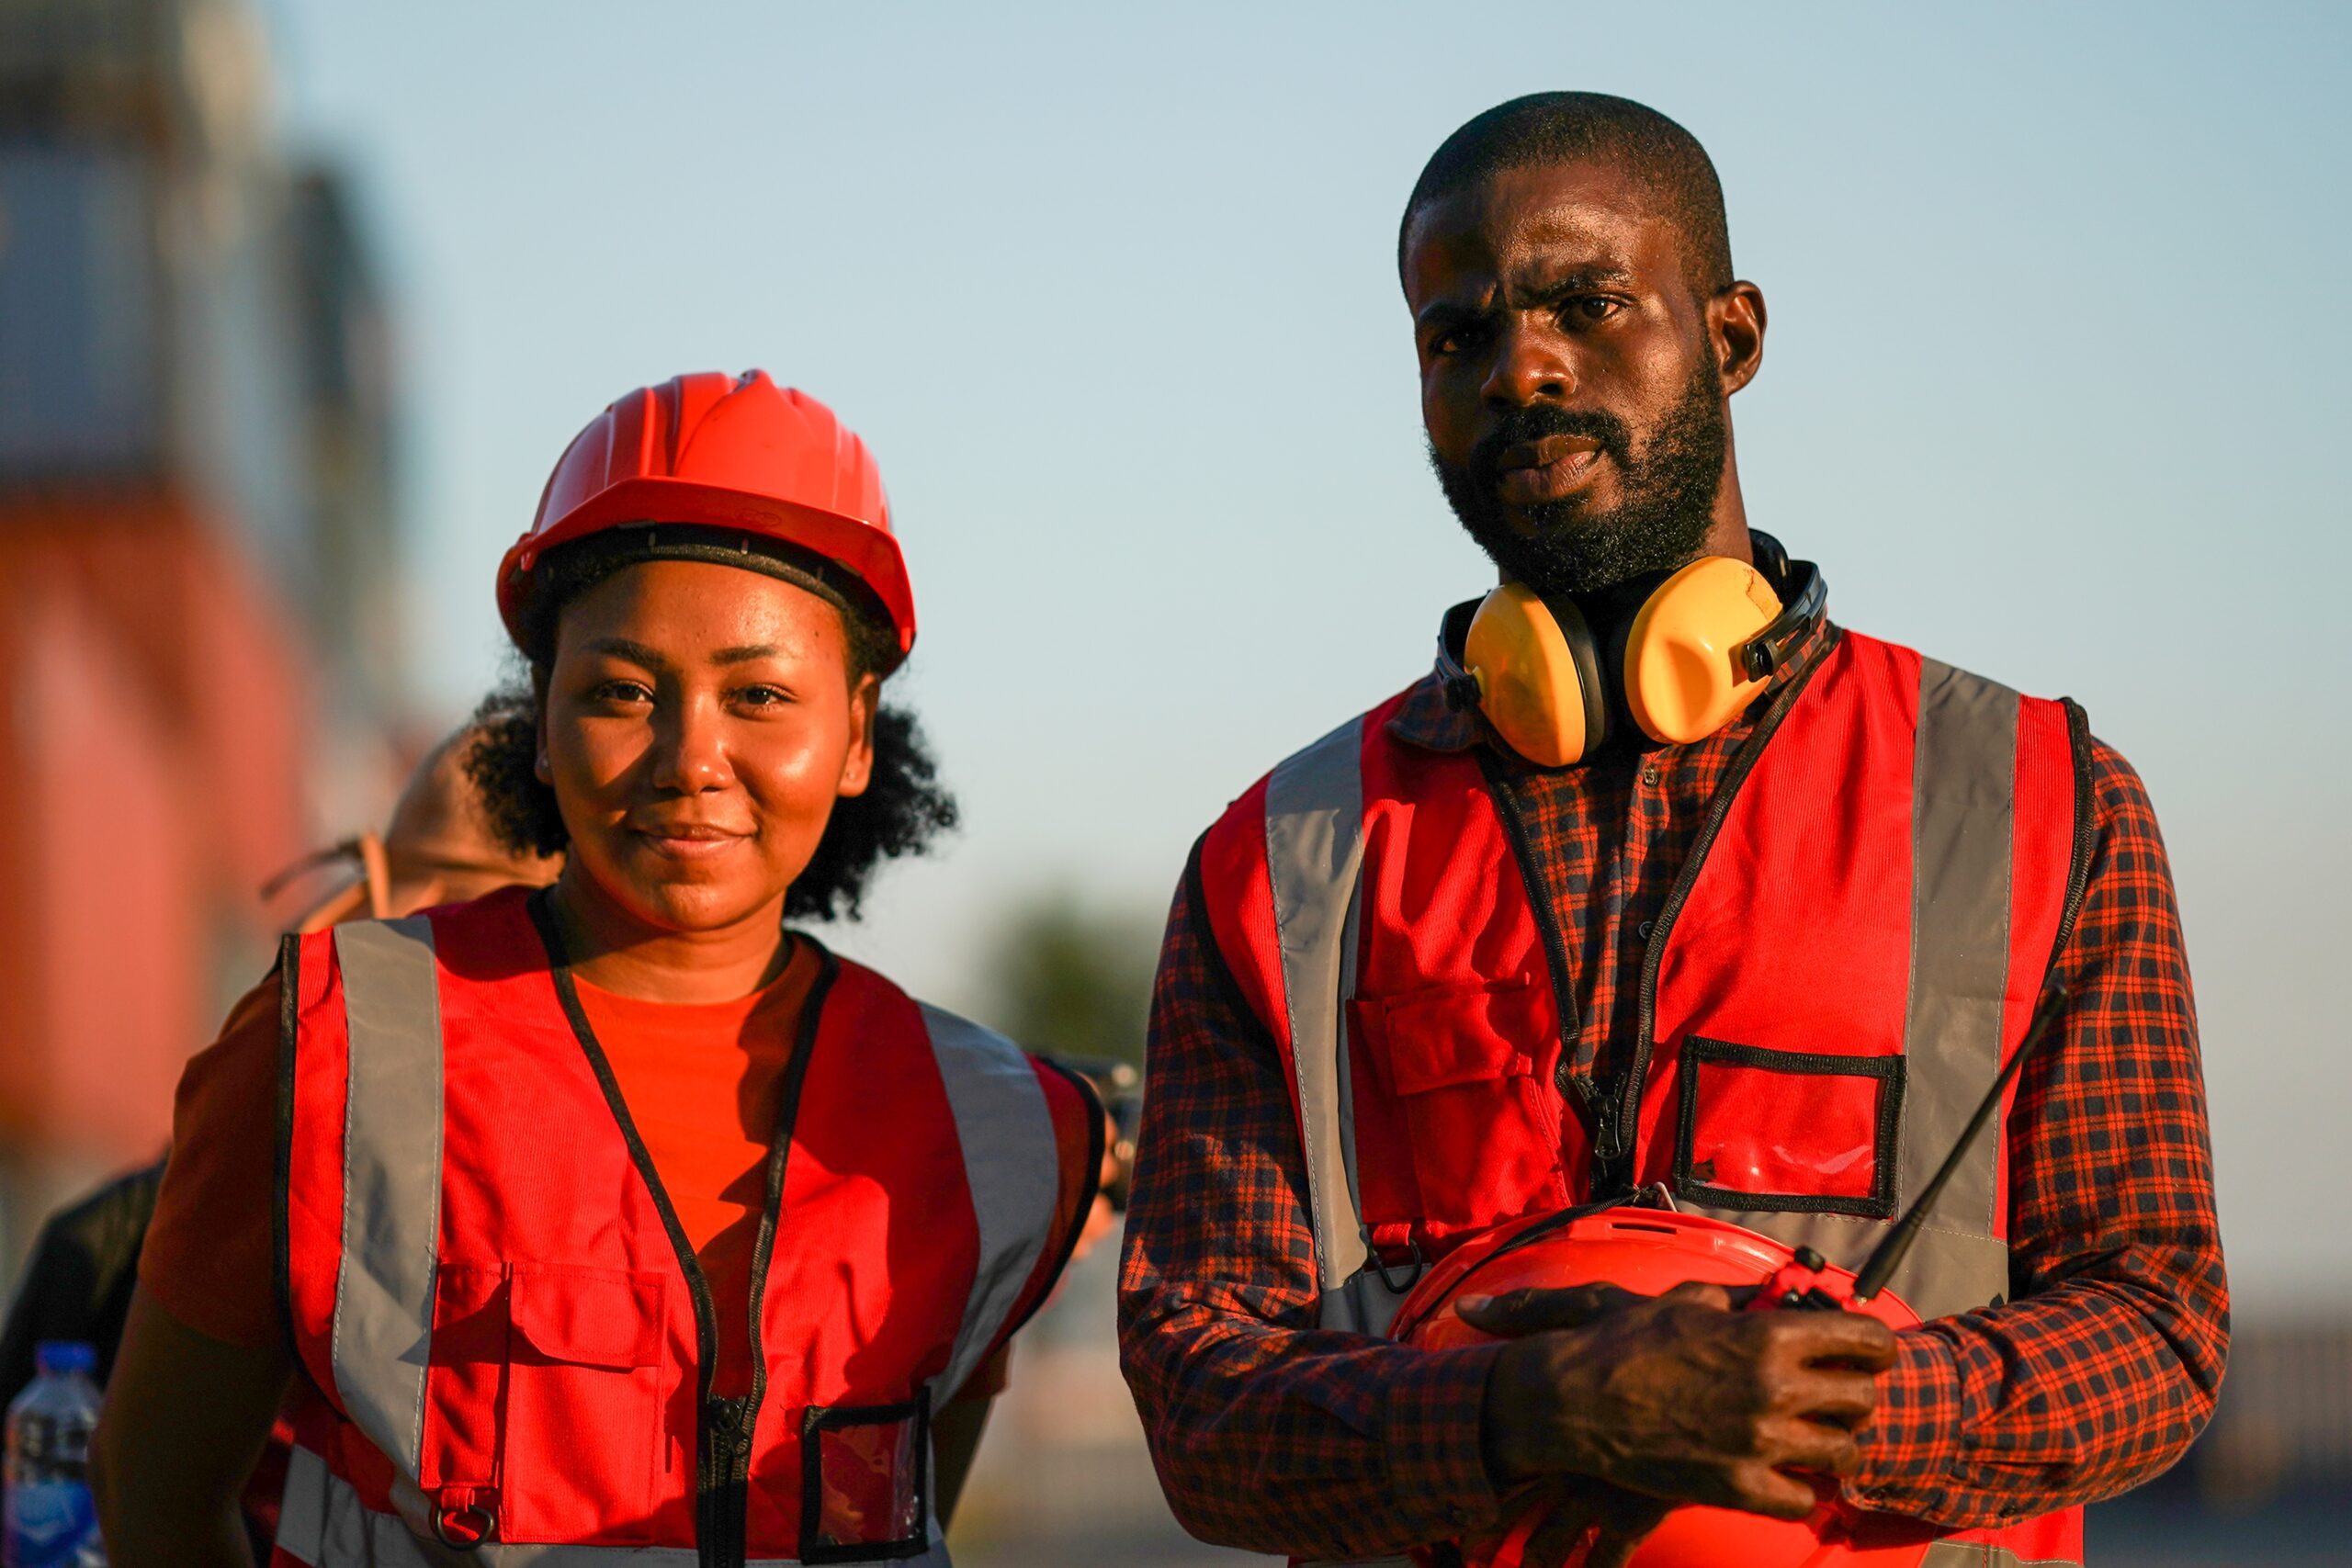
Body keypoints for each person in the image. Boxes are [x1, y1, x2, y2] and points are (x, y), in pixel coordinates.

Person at [1117, 94, 2225, 1568]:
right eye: (1457, 338)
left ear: (1733, 335)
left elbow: (2158, 1317)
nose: (1524, 366)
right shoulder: (1277, 865)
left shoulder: (2041, 800)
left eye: (1590, 301)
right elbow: (1203, 1397)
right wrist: (1522, 1411)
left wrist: (1814, 1410)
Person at [93, 370, 1102, 1565]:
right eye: (623, 690)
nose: (690, 756)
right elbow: (154, 1492)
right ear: (541, 717)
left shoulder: (994, 1130)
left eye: (761, 694)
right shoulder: (328, 1046)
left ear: (858, 731)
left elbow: (902, 1508)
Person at [0, 710, 560, 1555]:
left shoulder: (671, 1275)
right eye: (379, 879)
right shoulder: (117, 1255)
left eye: (459, 897)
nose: (379, 924)